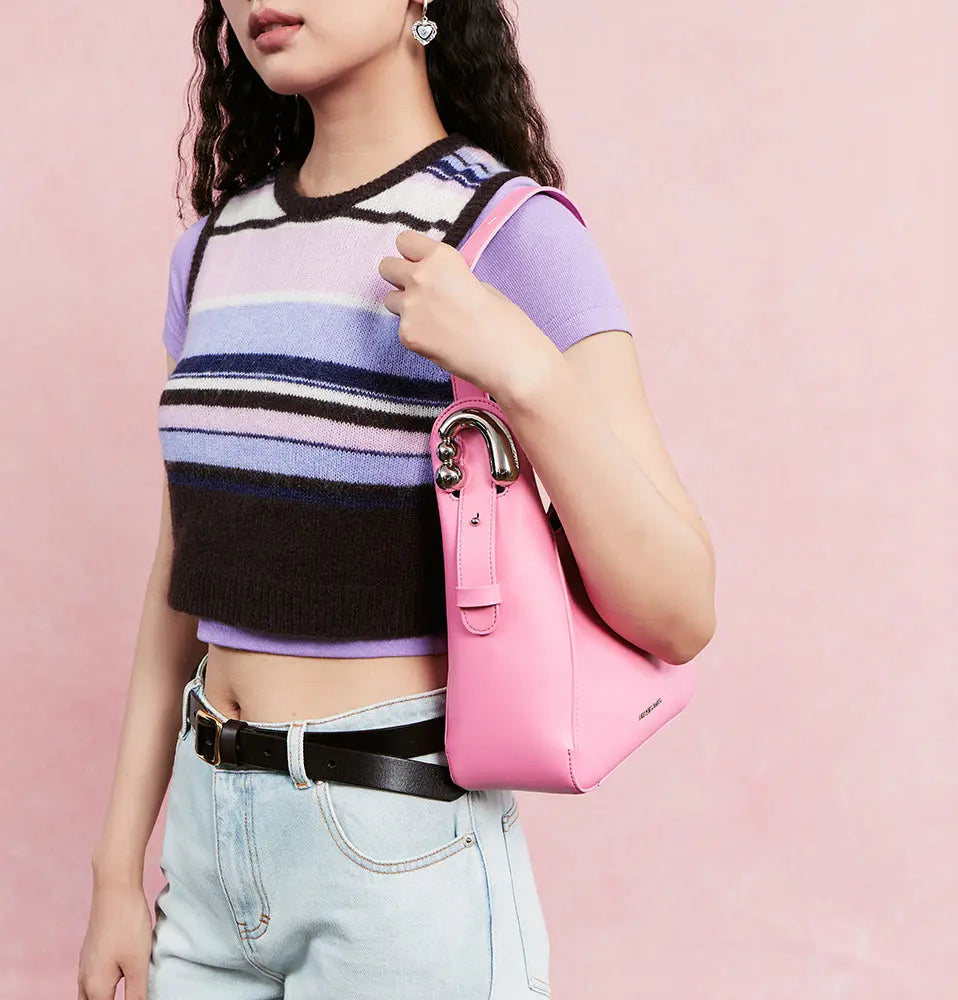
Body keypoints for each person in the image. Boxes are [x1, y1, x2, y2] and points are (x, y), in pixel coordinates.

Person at [77, 0, 717, 997]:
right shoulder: (209, 249)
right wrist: (119, 865)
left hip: (398, 851)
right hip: (206, 858)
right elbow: (182, 574)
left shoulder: (509, 231)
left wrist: (525, 372)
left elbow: (679, 607)